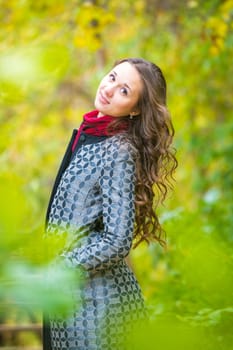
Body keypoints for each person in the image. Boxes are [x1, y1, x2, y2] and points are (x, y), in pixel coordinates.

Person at [43, 57, 177, 350]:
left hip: (97, 304)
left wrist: (63, 267)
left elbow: (117, 240)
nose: (110, 88)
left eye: (125, 90)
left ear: (137, 108)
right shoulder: (93, 132)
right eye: (113, 77)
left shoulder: (118, 149)